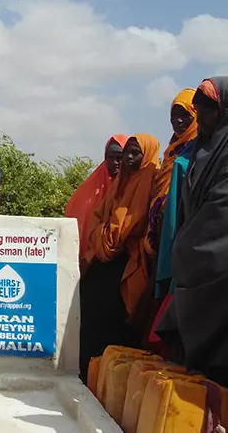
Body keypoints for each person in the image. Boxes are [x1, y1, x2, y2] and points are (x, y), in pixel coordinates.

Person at [157, 77, 228, 385]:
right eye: (198, 110)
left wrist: (187, 248)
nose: (202, 118)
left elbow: (220, 211)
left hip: (217, 264)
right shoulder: (200, 150)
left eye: (208, 110)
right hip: (193, 264)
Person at [78, 133, 159, 383]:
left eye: (135, 153)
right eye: (126, 153)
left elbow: (126, 228)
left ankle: (109, 383)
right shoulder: (119, 183)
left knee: (115, 328)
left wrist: (104, 239)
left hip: (128, 265)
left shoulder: (148, 181)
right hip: (102, 262)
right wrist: (102, 239)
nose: (128, 158)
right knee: (90, 320)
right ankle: (87, 376)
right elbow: (97, 218)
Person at [144, 89, 197, 355]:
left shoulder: (198, 152)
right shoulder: (172, 152)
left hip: (181, 232)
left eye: (185, 116)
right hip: (159, 235)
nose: (178, 122)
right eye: (174, 116)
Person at [64, 135, 128, 259]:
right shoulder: (91, 188)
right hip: (92, 258)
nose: (115, 162)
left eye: (120, 158)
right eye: (111, 158)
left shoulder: (133, 186)